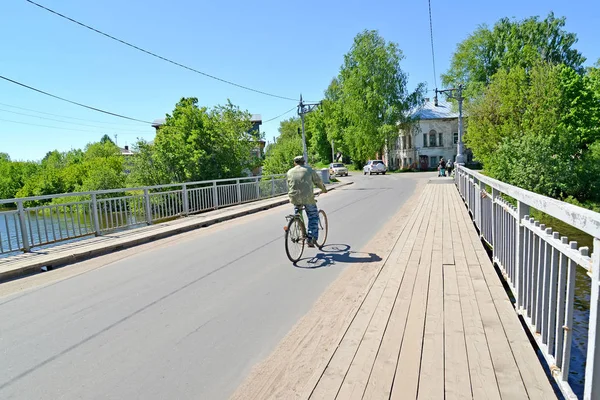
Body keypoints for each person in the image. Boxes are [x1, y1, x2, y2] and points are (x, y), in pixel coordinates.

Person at [287, 155, 327, 247]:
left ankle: (299, 226)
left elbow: (289, 185)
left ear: (294, 163)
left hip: (294, 198)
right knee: (313, 216)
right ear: (304, 162)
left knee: (298, 213)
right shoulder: (309, 170)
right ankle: (311, 238)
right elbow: (318, 181)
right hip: (307, 198)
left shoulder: (289, 172)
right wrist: (324, 189)